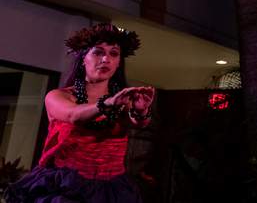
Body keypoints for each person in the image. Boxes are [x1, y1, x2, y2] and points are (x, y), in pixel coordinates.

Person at [5, 23, 155, 203]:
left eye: (113, 53)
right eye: (98, 52)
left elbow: (140, 123)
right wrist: (108, 102)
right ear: (83, 58)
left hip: (111, 189)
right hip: (65, 185)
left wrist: (141, 110)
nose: (106, 59)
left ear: (118, 63)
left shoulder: (123, 101)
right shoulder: (59, 96)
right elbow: (73, 115)